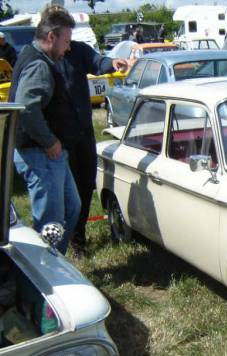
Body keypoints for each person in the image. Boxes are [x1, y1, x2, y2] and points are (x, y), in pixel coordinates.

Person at [9, 6, 81, 255]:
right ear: (51, 37)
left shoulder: (34, 57)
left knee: (72, 207)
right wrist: (49, 141)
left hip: (49, 154)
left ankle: (55, 260)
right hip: (41, 153)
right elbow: (27, 107)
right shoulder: (39, 65)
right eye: (66, 41)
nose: (68, 48)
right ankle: (47, 272)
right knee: (51, 223)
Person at [57, 39, 127, 256]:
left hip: (83, 131)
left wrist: (112, 63)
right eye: (63, 36)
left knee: (86, 184)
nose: (67, 44)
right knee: (63, 188)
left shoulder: (78, 49)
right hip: (58, 135)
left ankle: (78, 238)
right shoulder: (43, 57)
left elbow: (97, 61)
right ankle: (61, 238)